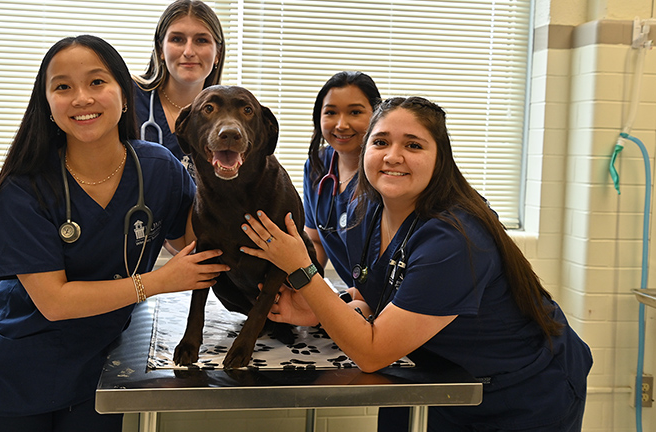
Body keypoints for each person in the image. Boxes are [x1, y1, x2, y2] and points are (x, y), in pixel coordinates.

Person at [239, 96, 592, 431]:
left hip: (522, 393)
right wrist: (320, 310)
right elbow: (369, 295)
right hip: (439, 381)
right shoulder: (368, 210)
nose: (393, 156)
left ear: (441, 159)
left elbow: (372, 353)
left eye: (413, 145)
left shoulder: (454, 239)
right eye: (380, 143)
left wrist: (303, 272)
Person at [0, 35, 228, 432]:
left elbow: (196, 242)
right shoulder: (26, 186)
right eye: (63, 86)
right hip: (13, 375)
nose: (82, 97)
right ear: (47, 104)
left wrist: (221, 171)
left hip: (99, 372)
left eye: (97, 82)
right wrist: (157, 282)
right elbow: (54, 301)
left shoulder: (159, 169)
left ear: (124, 93)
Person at [303, 71, 380, 288]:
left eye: (355, 112)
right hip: (352, 302)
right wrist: (304, 287)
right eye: (331, 112)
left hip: (393, 302)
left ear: (377, 115)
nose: (341, 125)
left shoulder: (388, 172)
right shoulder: (316, 167)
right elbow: (315, 240)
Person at [133, 0, 225, 178]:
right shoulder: (127, 98)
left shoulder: (230, 115)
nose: (189, 51)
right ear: (160, 48)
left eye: (201, 40)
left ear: (217, 54)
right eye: (177, 39)